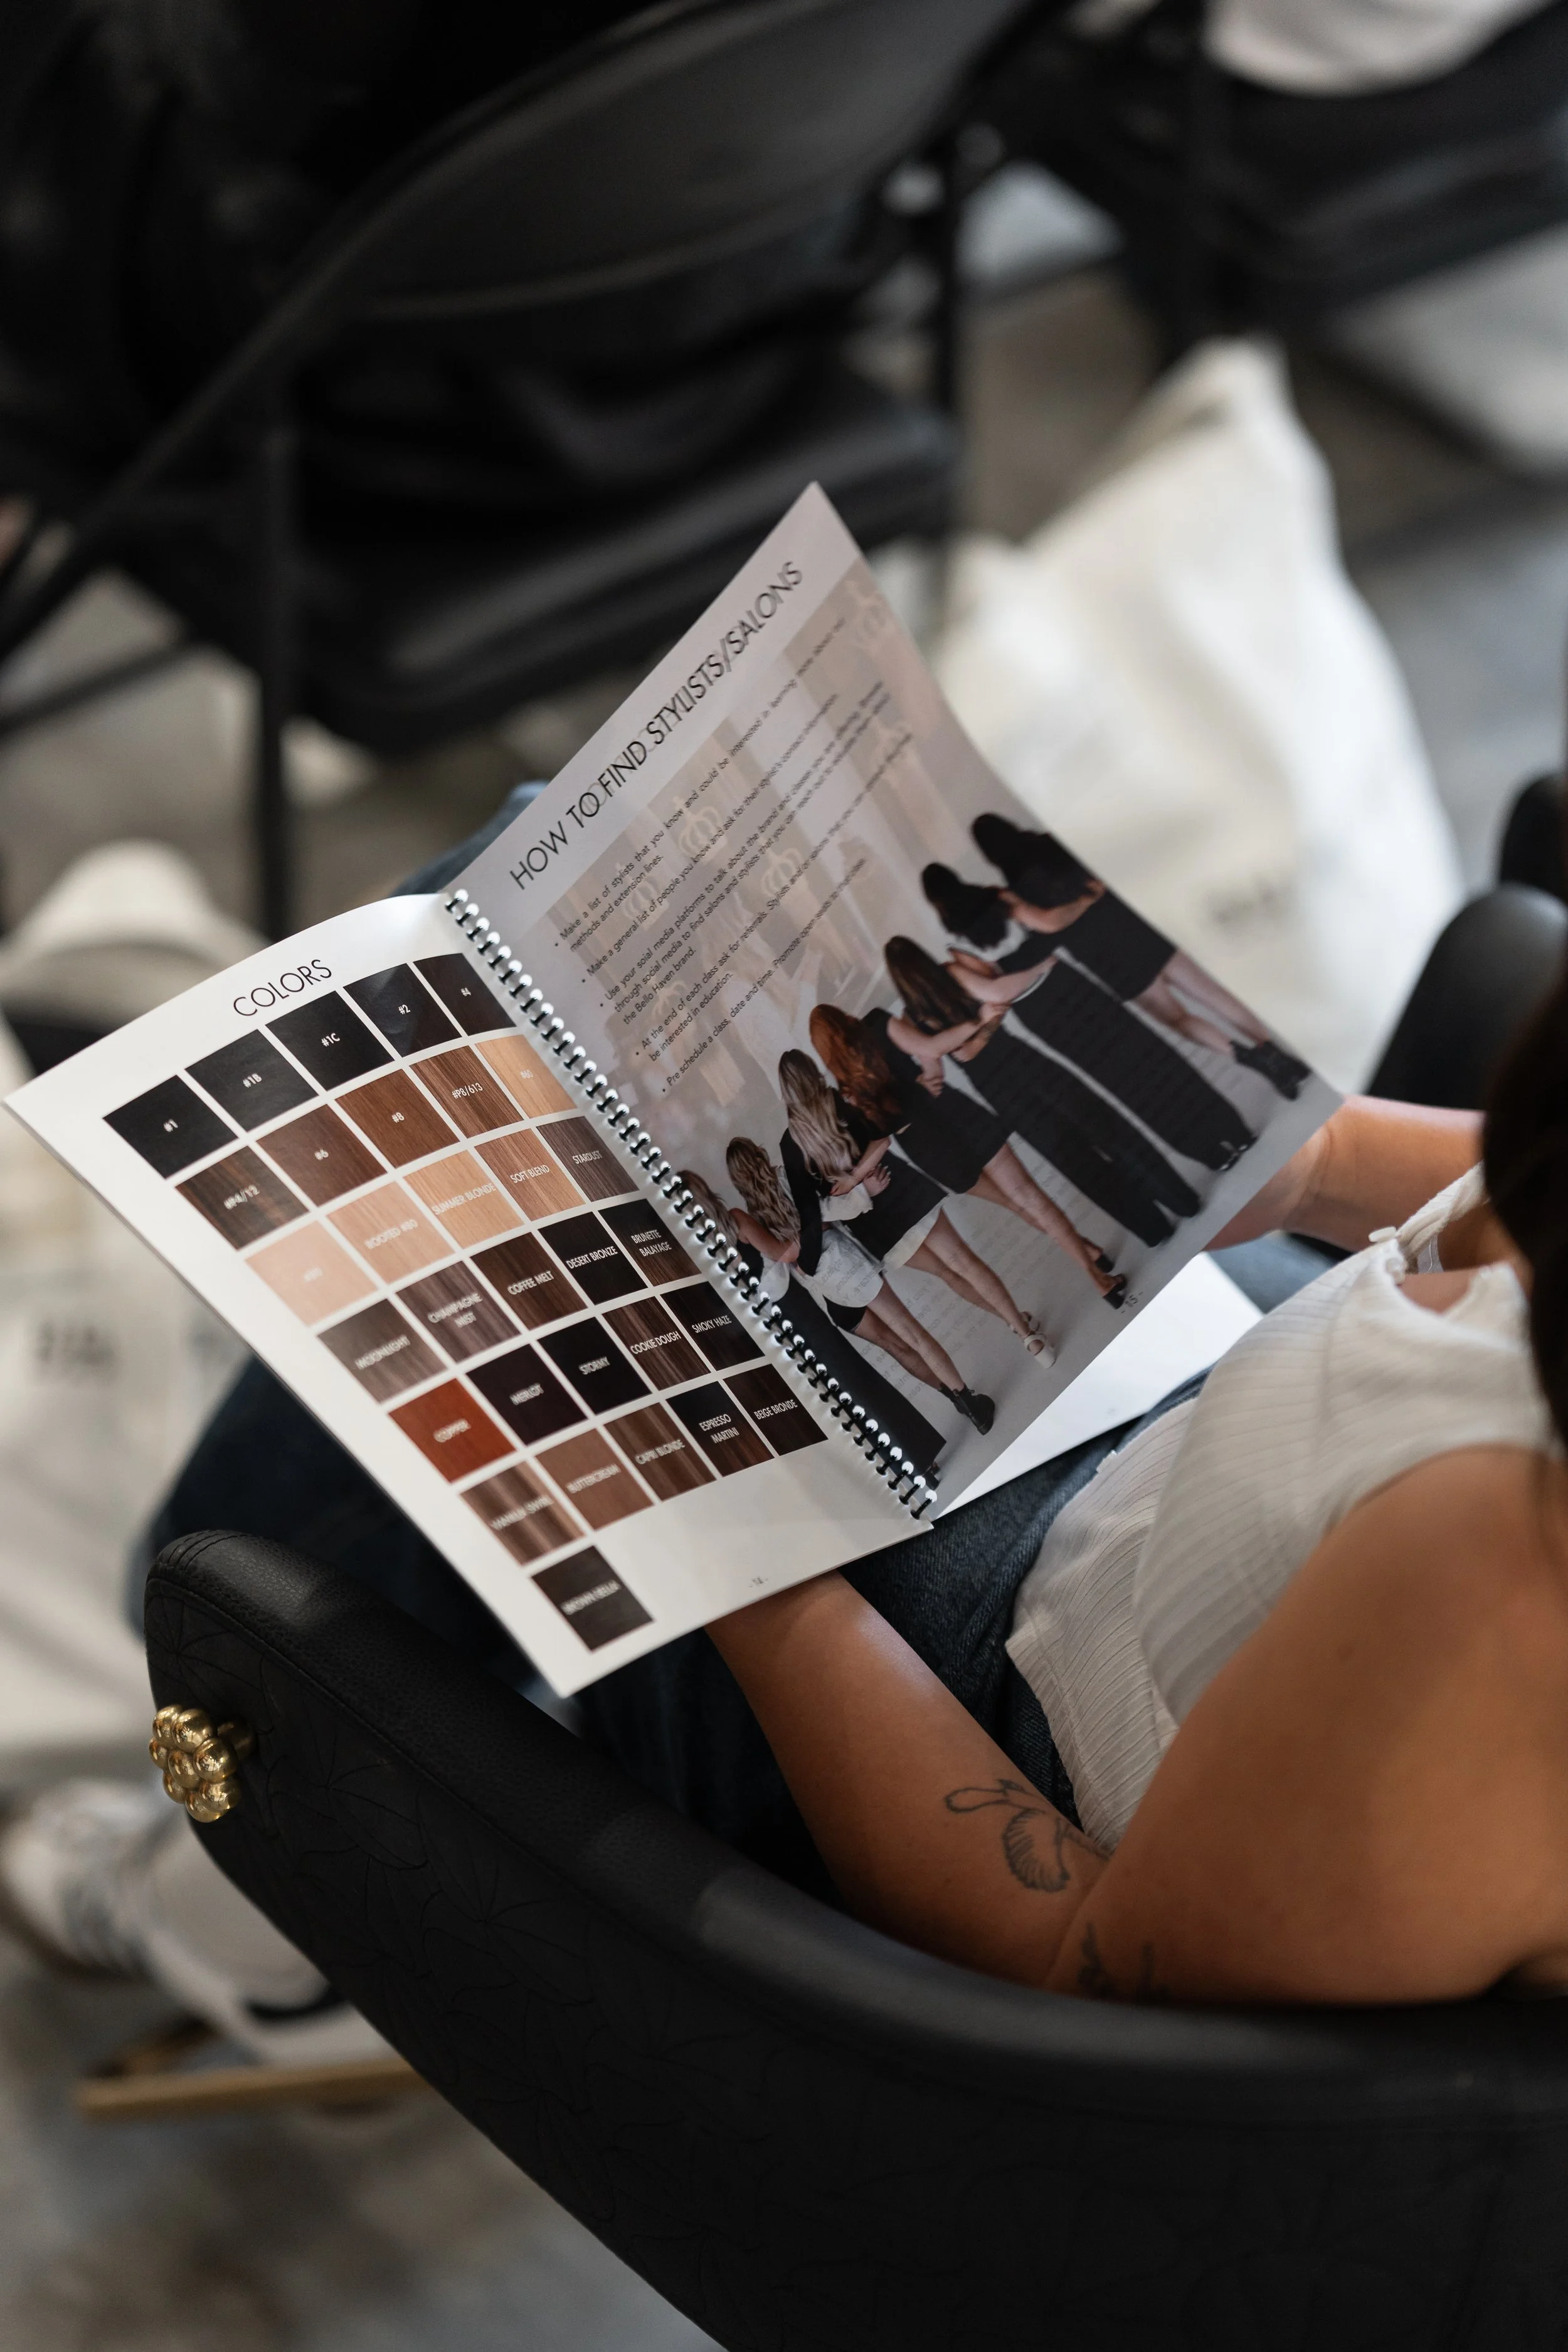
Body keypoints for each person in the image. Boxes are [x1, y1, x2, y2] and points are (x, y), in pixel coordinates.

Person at [884, 937, 1201, 1249]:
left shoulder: (912, 1018)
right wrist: (1035, 971)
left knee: (1072, 1158)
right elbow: (999, 996)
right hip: (1024, 1059)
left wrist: (938, 1070)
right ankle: (1181, 1199)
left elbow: (945, 1060)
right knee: (1107, 1126)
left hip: (995, 1089)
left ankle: (1152, 1229)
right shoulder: (952, 974)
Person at [809, 1002, 1127, 1311]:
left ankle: (1090, 1253)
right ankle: (1098, 1279)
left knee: (1017, 1205)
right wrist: (967, 1033)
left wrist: (852, 1179)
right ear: (842, 1016)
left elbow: (882, 1138)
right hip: (954, 1114)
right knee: (1030, 1197)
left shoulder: (846, 1088)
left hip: (927, 1148)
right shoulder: (877, 1023)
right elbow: (931, 1048)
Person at [963, 820, 1310, 1100]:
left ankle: (1256, 1060)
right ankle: (1276, 1053)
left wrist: (1069, 913)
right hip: (1133, 925)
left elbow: (1049, 925)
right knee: (1212, 994)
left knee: (1177, 1018)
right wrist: (1089, 897)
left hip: (1105, 956)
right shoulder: (1054, 842)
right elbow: (1105, 874)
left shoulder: (1014, 893)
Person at [776, 1049, 1047, 1375]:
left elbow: (813, 1210)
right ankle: (1026, 1334)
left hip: (872, 1222)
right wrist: (860, 1176)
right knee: (963, 1261)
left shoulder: (789, 1145)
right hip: (898, 1189)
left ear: (786, 1090)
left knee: (948, 1274)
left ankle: (1017, 1324)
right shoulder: (836, 1100)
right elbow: (882, 1142)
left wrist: (852, 1183)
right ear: (812, 1074)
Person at [723, 1139, 993, 1438]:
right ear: (759, 1154)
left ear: (737, 1180)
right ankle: (970, 1404)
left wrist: (800, 1240)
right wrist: (861, 1194)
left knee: (897, 1347)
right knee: (912, 1333)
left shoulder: (755, 1215)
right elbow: (827, 1211)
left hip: (829, 1291)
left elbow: (786, 1258)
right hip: (848, 1266)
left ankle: (956, 1400)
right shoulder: (789, 1177)